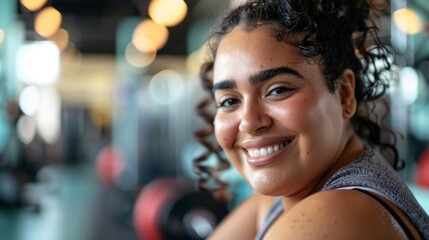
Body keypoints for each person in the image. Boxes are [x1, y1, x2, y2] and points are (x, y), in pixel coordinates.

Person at [193, 0, 429, 239]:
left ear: (345, 94)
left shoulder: (335, 214)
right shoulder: (279, 202)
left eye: (278, 90)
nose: (249, 122)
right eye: (229, 101)